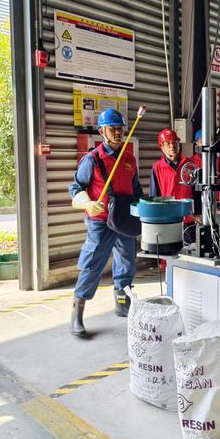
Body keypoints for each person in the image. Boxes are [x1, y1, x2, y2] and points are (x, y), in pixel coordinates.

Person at [68, 108, 144, 337]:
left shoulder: (129, 158)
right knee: (92, 265)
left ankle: (122, 303)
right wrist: (87, 203)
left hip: (124, 219)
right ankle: (77, 313)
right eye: (113, 129)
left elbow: (136, 190)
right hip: (100, 221)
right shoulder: (92, 159)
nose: (118, 132)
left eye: (120, 128)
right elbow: (75, 188)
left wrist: (144, 208)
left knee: (127, 263)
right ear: (102, 131)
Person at [150, 128, 198, 241]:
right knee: (169, 248)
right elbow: (154, 195)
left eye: (175, 142)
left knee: (191, 248)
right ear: (161, 146)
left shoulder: (190, 164)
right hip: (167, 217)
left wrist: (198, 212)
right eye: (168, 143)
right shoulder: (157, 167)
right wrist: (156, 218)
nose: (172, 146)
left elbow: (197, 190)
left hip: (188, 216)